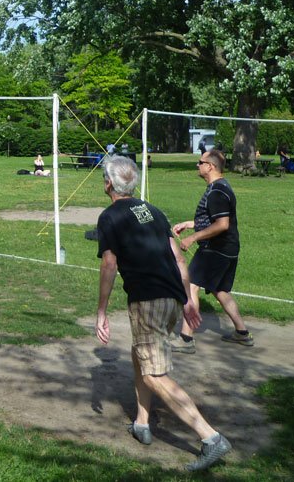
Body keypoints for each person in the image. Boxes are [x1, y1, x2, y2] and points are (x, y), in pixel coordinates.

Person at [96, 156, 232, 472]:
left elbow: (109, 264)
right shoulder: (153, 211)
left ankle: (210, 437)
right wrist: (186, 300)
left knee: (154, 375)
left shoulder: (109, 217)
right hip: (170, 298)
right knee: (140, 354)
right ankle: (142, 423)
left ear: (109, 184)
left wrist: (101, 311)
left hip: (148, 300)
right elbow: (179, 258)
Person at [171, 150, 251, 353]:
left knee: (191, 286)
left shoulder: (217, 192)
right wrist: (190, 224)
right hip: (228, 248)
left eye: (200, 162)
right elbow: (214, 218)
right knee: (220, 290)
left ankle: (186, 339)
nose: (197, 165)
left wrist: (193, 237)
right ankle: (242, 333)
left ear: (210, 166)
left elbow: (222, 224)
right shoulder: (220, 187)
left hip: (216, 249)